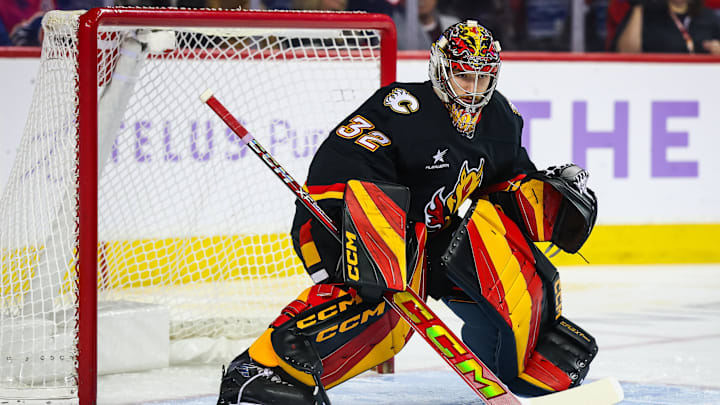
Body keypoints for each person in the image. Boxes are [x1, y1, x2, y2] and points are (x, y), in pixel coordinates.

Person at [216, 20, 599, 405]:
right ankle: (257, 371)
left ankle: (522, 357)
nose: (473, 90)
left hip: (421, 243)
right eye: (463, 76)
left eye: (483, 79)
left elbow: (508, 184)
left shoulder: (499, 118)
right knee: (384, 320)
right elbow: (338, 167)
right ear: (440, 69)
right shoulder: (401, 108)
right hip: (337, 221)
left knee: (499, 252)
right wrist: (371, 241)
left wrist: (547, 201)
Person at [612, 0, 720, 53]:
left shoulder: (709, 17)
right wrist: (637, 8)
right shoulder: (646, 11)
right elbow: (626, 53)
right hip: (653, 84)